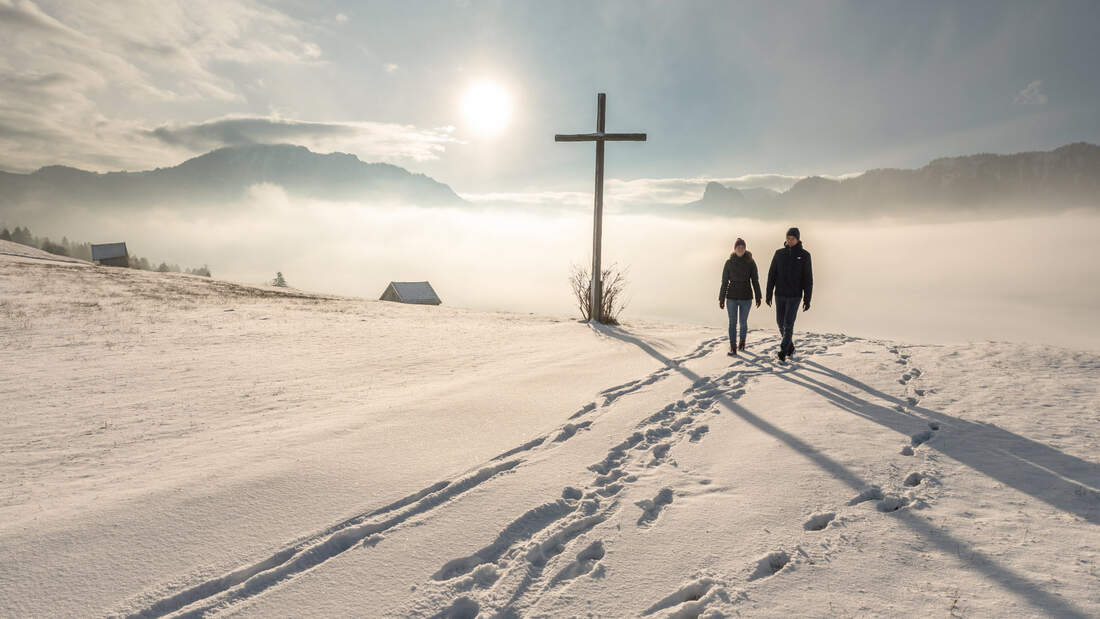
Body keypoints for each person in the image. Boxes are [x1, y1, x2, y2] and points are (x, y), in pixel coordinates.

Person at [765, 227, 813, 362]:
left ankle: (783, 350)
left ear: (798, 239)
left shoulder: (804, 255)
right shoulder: (779, 253)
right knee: (780, 322)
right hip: (779, 294)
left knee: (788, 323)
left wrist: (807, 299)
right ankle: (790, 346)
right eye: (788, 238)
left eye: (792, 238)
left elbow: (808, 279)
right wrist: (768, 294)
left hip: (795, 295)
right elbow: (772, 274)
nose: (789, 241)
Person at [719, 237, 762, 356]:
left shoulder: (750, 262)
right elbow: (724, 282)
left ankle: (742, 342)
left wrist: (758, 297)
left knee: (743, 322)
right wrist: (721, 298)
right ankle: (733, 346)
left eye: (743, 247)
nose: (740, 249)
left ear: (745, 248)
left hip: (746, 297)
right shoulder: (729, 262)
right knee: (732, 322)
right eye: (738, 247)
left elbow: (755, 280)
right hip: (731, 297)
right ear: (734, 249)